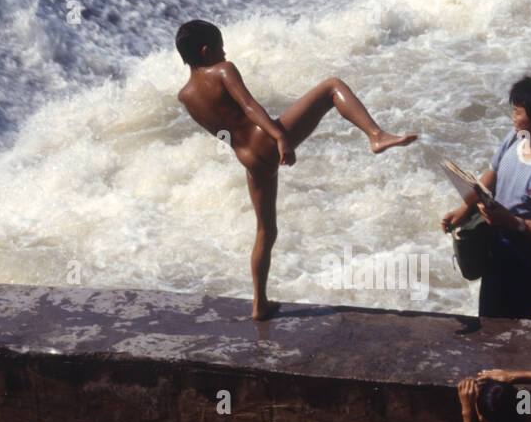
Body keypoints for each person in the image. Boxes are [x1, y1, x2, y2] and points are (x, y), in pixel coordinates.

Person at [175, 20, 417, 320]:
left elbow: (221, 132)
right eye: (221, 48)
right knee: (332, 87)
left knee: (266, 231)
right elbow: (249, 106)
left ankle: (258, 303)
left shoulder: (185, 96)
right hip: (265, 140)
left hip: (246, 158)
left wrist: (248, 150)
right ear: (206, 51)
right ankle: (376, 136)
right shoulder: (223, 70)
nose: (225, 53)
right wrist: (278, 137)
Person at [440, 73, 531, 318]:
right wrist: (462, 212)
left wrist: (512, 222)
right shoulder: (515, 139)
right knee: (491, 323)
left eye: (518, 112)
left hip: (530, 268)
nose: (512, 118)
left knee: (522, 338)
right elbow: (490, 177)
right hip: (499, 254)